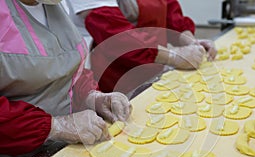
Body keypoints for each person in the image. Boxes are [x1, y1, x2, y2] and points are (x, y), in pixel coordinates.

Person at [0, 0, 131, 157]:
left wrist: (91, 96)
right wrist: (54, 126)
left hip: (62, 153)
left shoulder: (52, 6)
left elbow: (68, 69)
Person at [65, 0, 218, 94]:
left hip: (155, 65)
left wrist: (190, 42)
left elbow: (168, 8)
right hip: (116, 74)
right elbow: (114, 33)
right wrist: (173, 55)